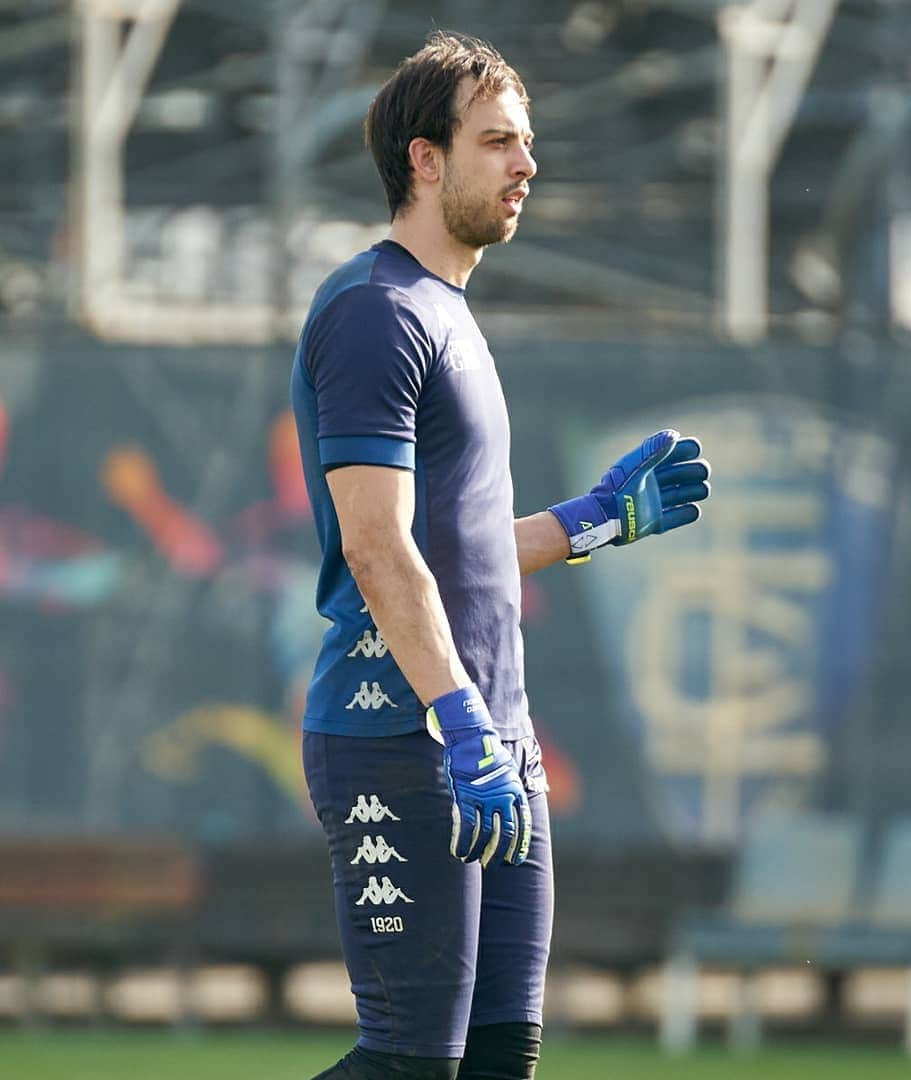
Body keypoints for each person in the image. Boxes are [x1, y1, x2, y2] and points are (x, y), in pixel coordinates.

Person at [291, 30, 711, 1080]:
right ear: (424, 161)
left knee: (495, 1065)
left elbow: (456, 552)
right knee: (407, 1066)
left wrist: (594, 523)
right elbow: (380, 552)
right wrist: (461, 721)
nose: (528, 164)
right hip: (407, 735)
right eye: (499, 143)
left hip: (489, 744)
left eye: (526, 142)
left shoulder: (448, 312)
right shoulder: (375, 313)